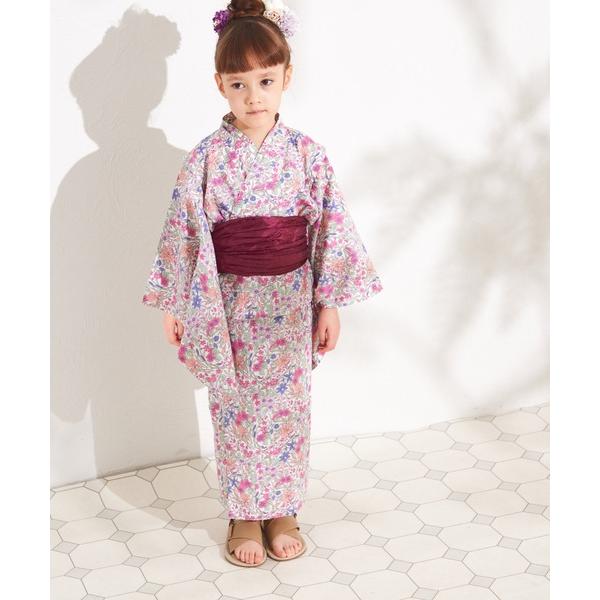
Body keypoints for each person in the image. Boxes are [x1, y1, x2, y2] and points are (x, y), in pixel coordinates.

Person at [141, 0, 383, 567]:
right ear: (220, 85)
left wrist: (330, 303)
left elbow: (329, 229)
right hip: (228, 302)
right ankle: (244, 513)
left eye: (266, 81)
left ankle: (284, 509)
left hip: (290, 301)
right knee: (235, 405)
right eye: (239, 84)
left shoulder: (307, 155)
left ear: (287, 77)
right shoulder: (206, 159)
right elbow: (185, 233)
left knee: (287, 405)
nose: (254, 96)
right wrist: (175, 303)